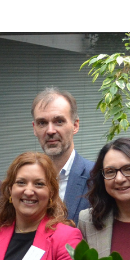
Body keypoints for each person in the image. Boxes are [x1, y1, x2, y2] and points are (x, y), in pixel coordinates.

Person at [30, 88, 93, 223]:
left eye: (59, 121)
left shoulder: (96, 178)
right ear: (34, 128)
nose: (50, 131)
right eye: (42, 123)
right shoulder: (25, 181)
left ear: (75, 125)